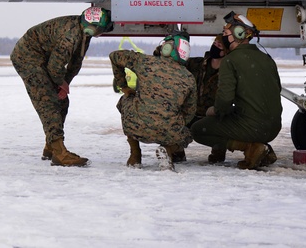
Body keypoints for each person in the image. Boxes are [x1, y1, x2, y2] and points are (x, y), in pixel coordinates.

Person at [11, 6, 112, 167]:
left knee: (62, 101)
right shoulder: (70, 37)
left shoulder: (84, 32)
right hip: (28, 57)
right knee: (48, 102)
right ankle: (59, 153)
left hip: (45, 58)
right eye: (101, 30)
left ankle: (51, 146)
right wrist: (61, 83)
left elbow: (75, 63)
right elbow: (54, 68)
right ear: (93, 27)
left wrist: (65, 85)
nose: (102, 33)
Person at [189, 12, 283, 169]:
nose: (223, 37)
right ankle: (261, 148)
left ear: (238, 35)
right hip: (273, 127)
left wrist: (214, 111)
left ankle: (250, 148)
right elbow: (276, 89)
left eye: (225, 34)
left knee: (198, 129)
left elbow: (225, 100)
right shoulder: (267, 59)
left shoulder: (230, 60)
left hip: (253, 127)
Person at [110, 33, 197, 170]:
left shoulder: (144, 61)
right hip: (169, 132)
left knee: (125, 100)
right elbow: (190, 112)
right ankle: (168, 149)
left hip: (137, 127)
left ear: (167, 48)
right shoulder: (189, 78)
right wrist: (172, 123)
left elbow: (114, 56)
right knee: (186, 135)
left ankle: (135, 154)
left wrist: (124, 86)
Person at [176, 35, 228, 163]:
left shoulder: (229, 71)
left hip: (212, 115)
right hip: (191, 112)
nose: (215, 46)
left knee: (222, 132)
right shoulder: (196, 64)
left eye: (219, 45)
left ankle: (218, 152)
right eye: (215, 43)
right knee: (175, 126)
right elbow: (175, 65)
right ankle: (177, 152)